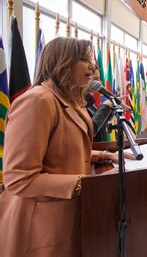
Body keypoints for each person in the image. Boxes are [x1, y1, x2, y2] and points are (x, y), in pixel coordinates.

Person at [0, 38, 128, 256]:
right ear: (61, 61)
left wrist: (106, 155)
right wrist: (83, 184)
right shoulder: (38, 101)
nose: (93, 67)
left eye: (92, 61)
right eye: (84, 59)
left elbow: (63, 149)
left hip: (64, 215)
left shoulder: (67, 99)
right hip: (39, 223)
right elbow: (18, 177)